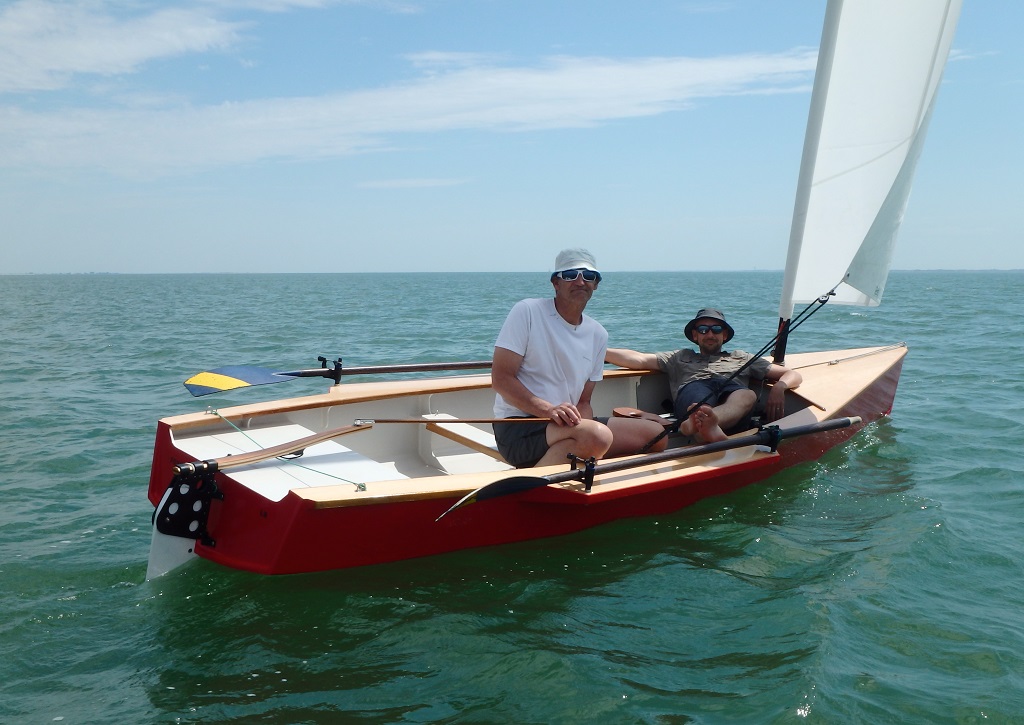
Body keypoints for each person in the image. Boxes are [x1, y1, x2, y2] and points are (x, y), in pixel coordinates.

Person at [491, 249, 667, 468]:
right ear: (556, 282)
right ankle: (537, 483)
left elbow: (583, 402)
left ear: (596, 285)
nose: (580, 281)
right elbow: (501, 379)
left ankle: (579, 455)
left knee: (656, 435)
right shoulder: (527, 311)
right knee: (598, 437)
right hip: (519, 427)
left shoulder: (598, 334)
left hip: (566, 424)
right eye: (570, 275)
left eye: (588, 276)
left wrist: (586, 429)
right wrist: (549, 410)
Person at [605, 307, 803, 443]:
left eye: (716, 329)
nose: (710, 334)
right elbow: (638, 359)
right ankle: (704, 425)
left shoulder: (742, 357)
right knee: (698, 399)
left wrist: (780, 387)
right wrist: (598, 350)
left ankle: (705, 424)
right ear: (695, 336)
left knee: (747, 395)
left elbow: (792, 374)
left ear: (724, 335)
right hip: (694, 389)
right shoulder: (679, 357)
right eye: (703, 329)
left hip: (731, 391)